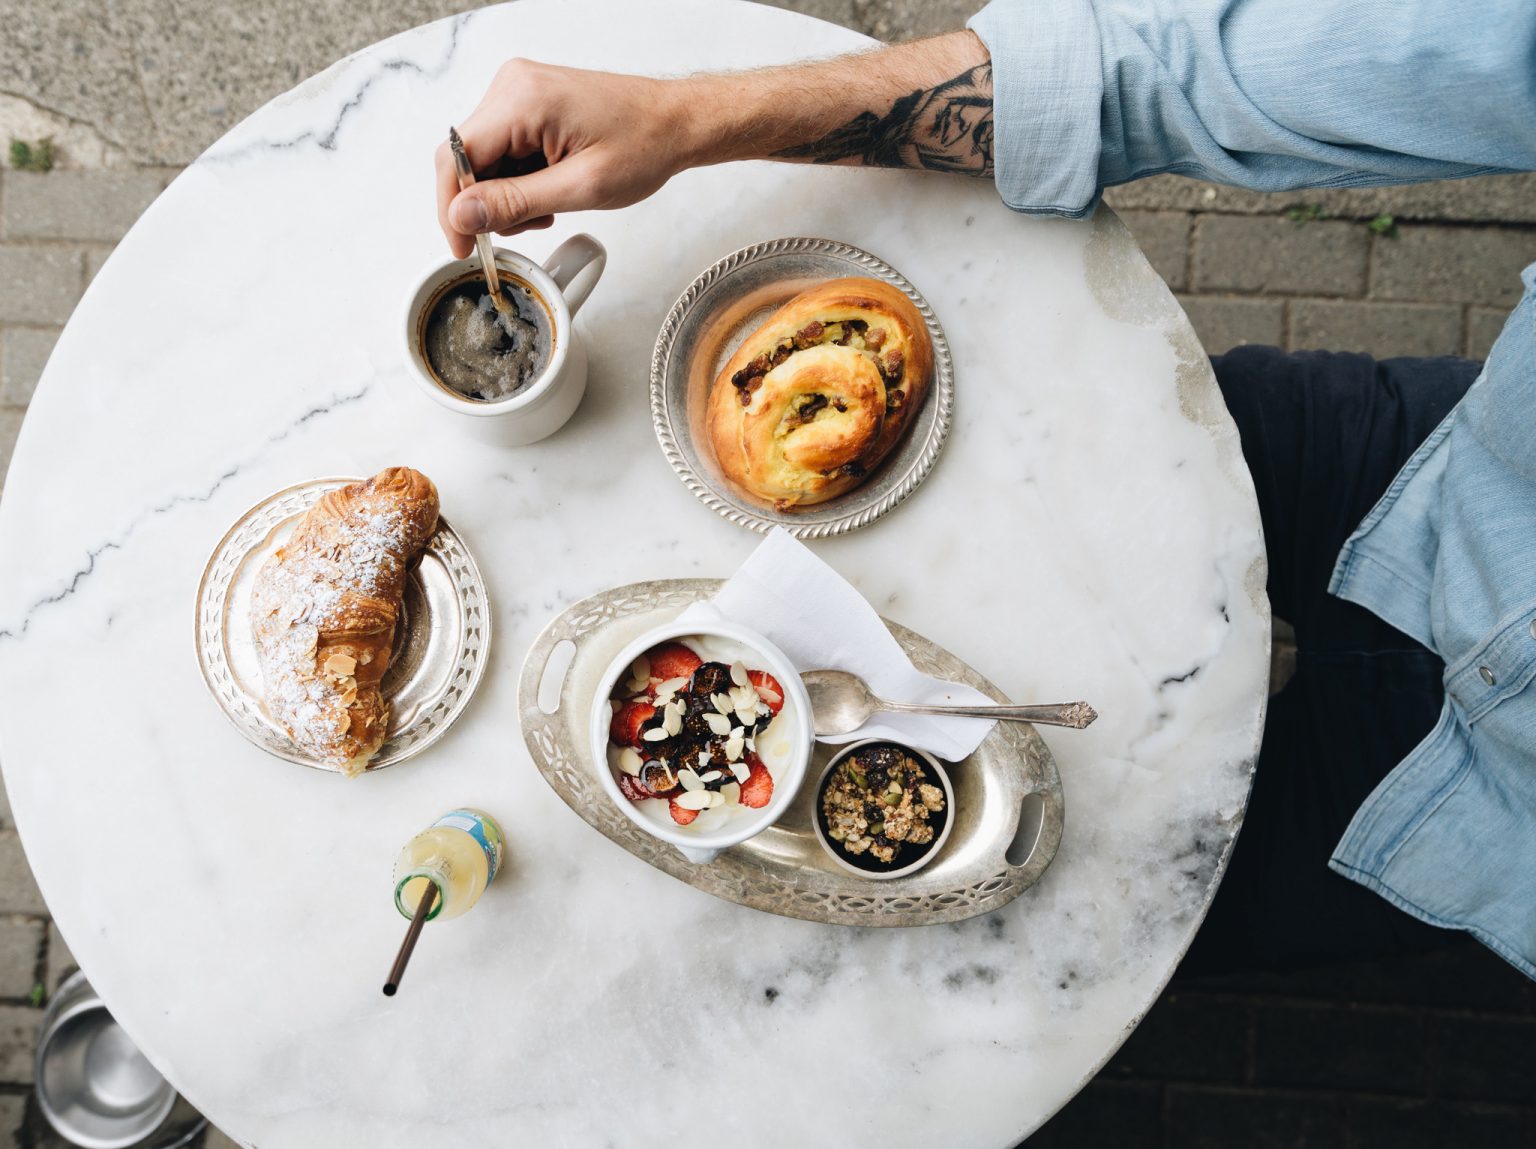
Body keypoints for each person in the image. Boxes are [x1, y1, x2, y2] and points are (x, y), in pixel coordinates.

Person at [435, 1, 1536, 980]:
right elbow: (1165, 76)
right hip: (1438, 466)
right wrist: (685, 124)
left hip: (1483, 814)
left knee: (1119, 911)